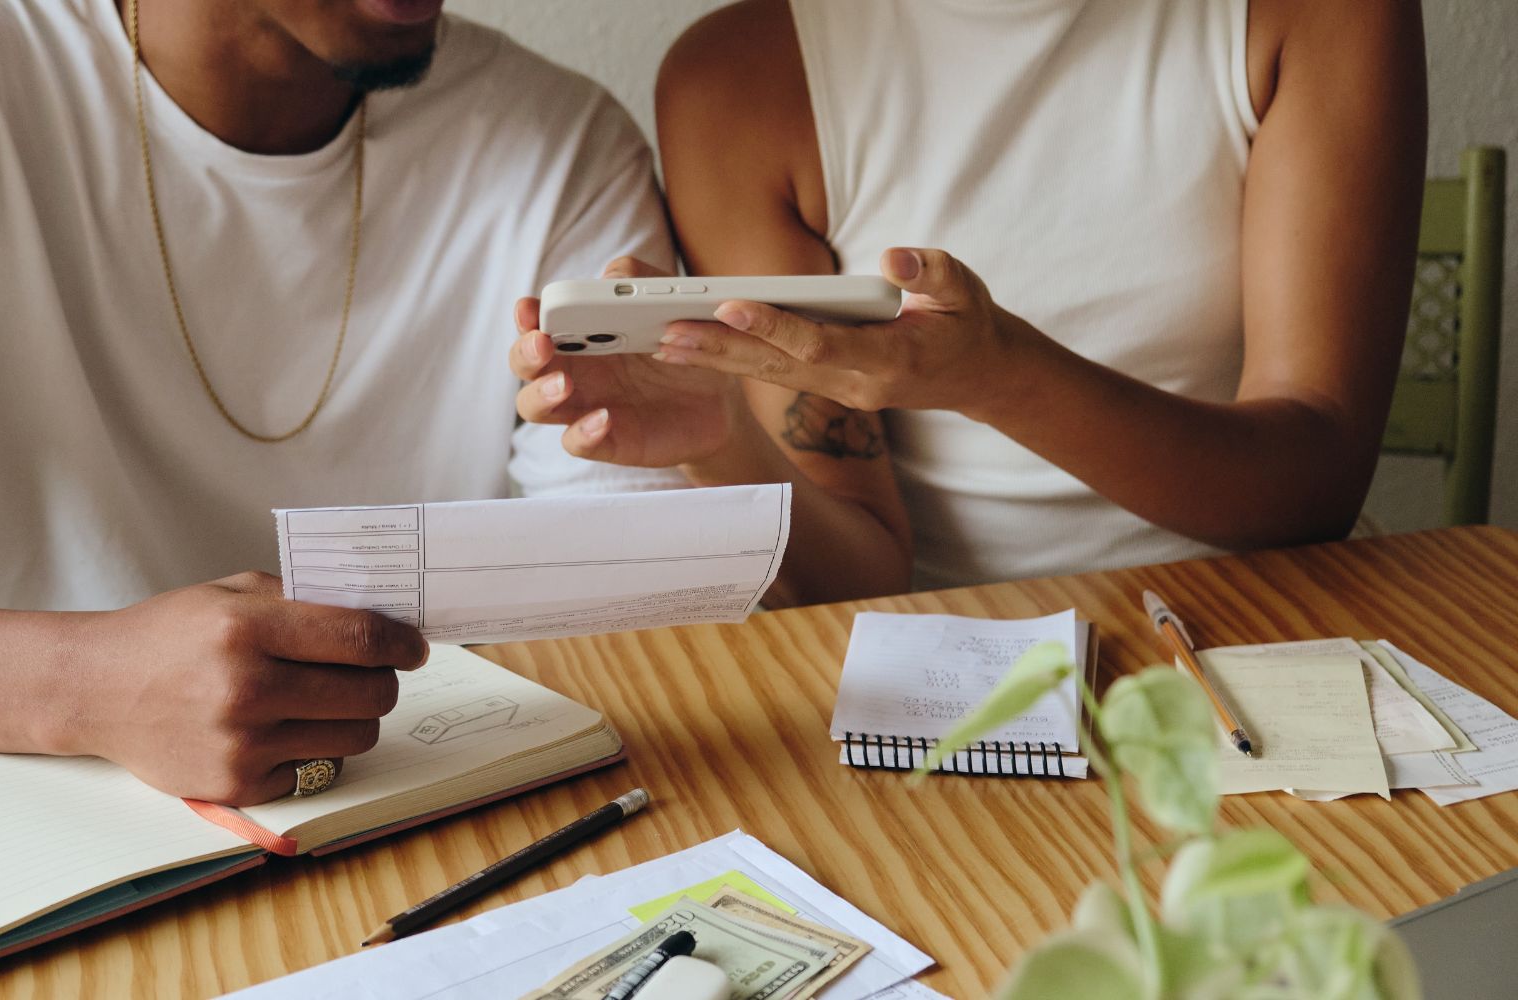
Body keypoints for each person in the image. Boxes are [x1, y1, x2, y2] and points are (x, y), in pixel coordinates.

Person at [0, 0, 728, 807]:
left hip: (421, 807)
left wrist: (691, 477)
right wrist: (89, 686)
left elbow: (620, 645)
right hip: (8, 824)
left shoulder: (561, 142)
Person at [513, 0, 1425, 591]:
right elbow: (863, 569)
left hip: (1273, 627)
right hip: (942, 670)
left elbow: (1315, 483)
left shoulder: (1313, 15)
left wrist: (1002, 379)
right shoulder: (738, 77)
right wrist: (724, 447)